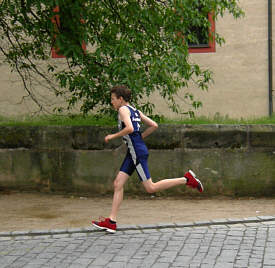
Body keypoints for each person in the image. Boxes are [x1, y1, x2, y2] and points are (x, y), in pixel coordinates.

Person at [92, 85, 203, 233]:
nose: (111, 102)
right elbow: (153, 125)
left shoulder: (123, 110)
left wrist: (112, 136)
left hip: (137, 153)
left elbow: (130, 129)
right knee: (118, 183)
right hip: (134, 152)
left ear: (121, 99)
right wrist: (137, 139)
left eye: (113, 99)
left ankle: (187, 179)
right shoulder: (134, 110)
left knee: (151, 187)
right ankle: (111, 221)